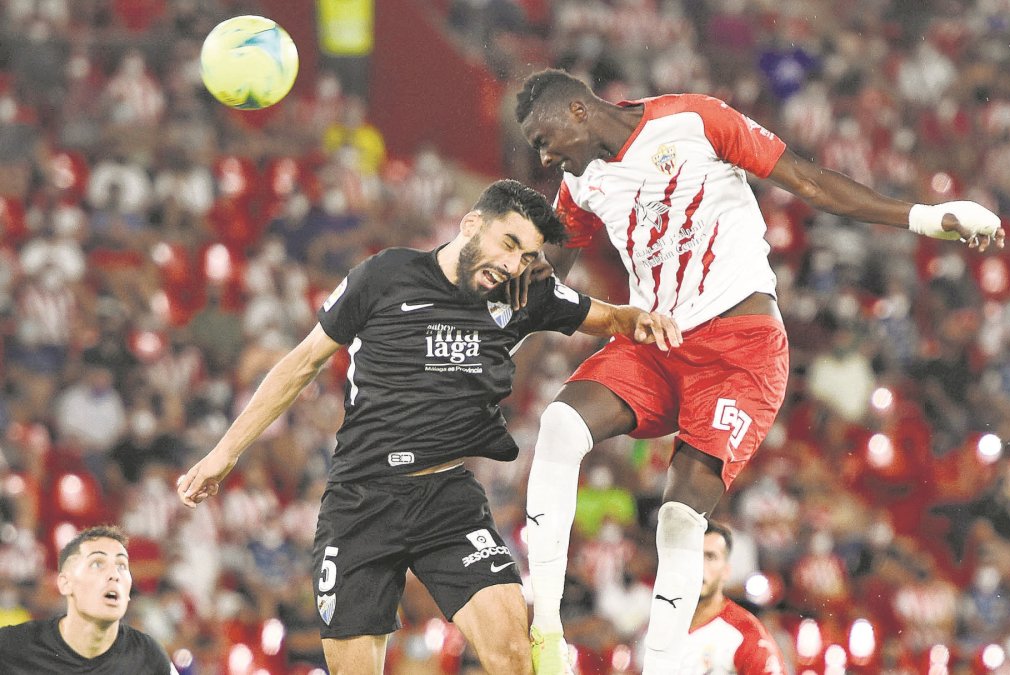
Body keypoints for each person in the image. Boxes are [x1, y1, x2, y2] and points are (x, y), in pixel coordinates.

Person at [512, 68, 1005, 674]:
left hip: (740, 350)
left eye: (543, 136)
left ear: (579, 111)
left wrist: (925, 217)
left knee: (678, 514)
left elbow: (809, 180)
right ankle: (547, 634)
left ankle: (660, 667)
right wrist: (503, 323)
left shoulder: (694, 120)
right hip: (655, 342)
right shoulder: (579, 182)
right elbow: (546, 280)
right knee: (559, 426)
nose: (542, 153)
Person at [175, 179, 681, 675]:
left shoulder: (525, 295)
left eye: (526, 256)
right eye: (508, 244)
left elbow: (616, 319)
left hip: (446, 500)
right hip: (360, 502)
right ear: (470, 224)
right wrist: (225, 453)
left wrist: (660, 323)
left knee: (511, 658)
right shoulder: (384, 275)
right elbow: (303, 362)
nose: (511, 265)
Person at [0, 525, 175, 674]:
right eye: (97, 564)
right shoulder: (15, 647)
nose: (114, 575)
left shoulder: (147, 656)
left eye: (122, 565)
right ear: (65, 583)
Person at [679, 522, 783, 675]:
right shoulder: (659, 626)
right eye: (693, 555)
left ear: (726, 570)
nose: (700, 566)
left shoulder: (746, 635)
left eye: (710, 557)